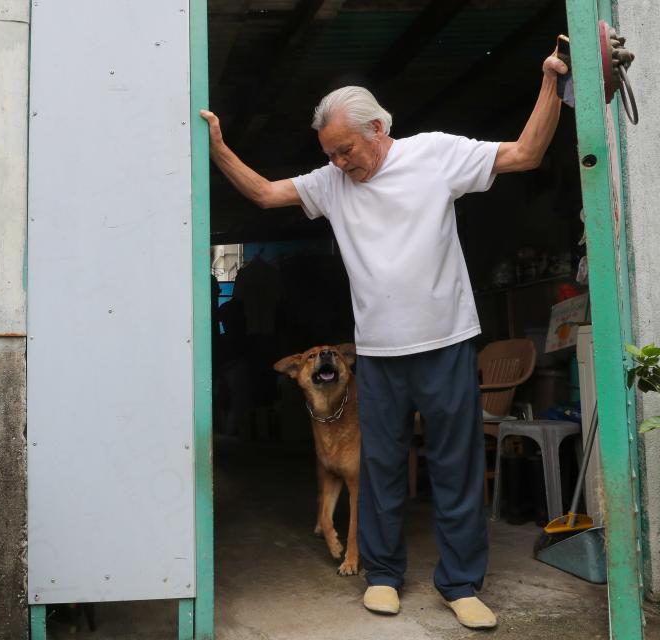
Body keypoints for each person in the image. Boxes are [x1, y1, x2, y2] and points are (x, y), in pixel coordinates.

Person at [200, 51, 568, 630]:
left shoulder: (435, 154)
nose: (340, 163)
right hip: (376, 353)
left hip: (446, 341)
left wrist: (551, 82)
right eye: (330, 154)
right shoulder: (331, 181)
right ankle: (382, 575)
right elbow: (268, 195)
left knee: (455, 467)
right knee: (380, 469)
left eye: (346, 149)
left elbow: (525, 154)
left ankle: (462, 582)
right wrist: (219, 148)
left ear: (379, 129)